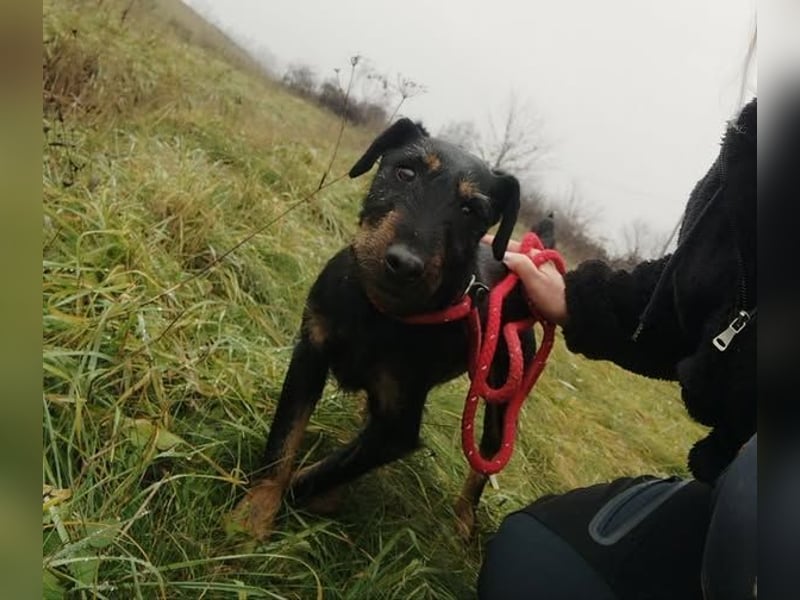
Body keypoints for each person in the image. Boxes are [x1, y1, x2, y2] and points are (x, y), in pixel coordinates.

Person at [478, 98, 756, 600]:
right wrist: (578, 302)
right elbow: (703, 301)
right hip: (735, 511)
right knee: (533, 568)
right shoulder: (758, 146)